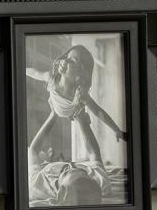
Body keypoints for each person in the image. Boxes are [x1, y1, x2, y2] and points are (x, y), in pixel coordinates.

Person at [27, 45, 126, 194]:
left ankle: (78, 117)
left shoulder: (79, 94)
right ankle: (74, 118)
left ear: (80, 72)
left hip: (73, 110)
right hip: (58, 106)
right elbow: (35, 73)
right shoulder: (52, 79)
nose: (65, 61)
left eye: (72, 61)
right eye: (66, 58)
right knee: (91, 148)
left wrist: (116, 130)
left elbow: (99, 112)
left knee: (82, 118)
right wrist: (22, 70)